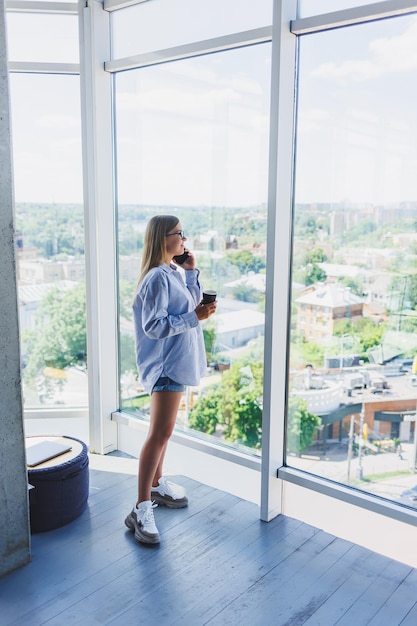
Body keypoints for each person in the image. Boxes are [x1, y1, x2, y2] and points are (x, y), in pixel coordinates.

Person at [125, 215, 217, 544]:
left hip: (175, 363)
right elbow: (155, 326)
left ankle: (156, 485)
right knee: (159, 433)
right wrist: (195, 317)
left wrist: (191, 272)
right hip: (165, 366)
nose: (184, 238)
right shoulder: (155, 279)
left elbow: (189, 306)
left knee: (165, 433)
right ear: (164, 238)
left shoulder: (171, 273)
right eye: (179, 234)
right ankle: (140, 508)